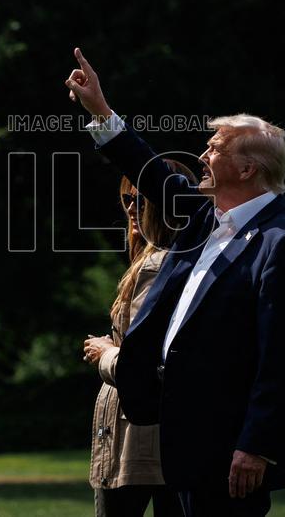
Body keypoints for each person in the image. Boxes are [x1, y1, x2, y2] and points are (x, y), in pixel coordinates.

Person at [65, 48, 285, 517]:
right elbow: (150, 171)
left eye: (215, 148)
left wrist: (256, 446)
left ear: (247, 170)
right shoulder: (206, 216)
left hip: (230, 453)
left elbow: (282, 359)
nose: (201, 155)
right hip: (182, 443)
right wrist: (100, 110)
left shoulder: (281, 243)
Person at [84, 163, 194, 517]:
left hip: (137, 435)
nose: (131, 208)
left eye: (141, 200)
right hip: (161, 432)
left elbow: (145, 363)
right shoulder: (184, 261)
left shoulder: (156, 266)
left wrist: (105, 352)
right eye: (127, 198)